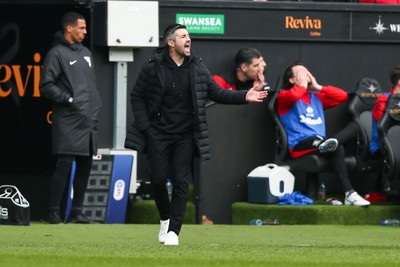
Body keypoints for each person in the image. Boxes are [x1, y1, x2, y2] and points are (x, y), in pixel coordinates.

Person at [124, 24, 268, 245]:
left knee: (181, 182)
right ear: (171, 43)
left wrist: (244, 96)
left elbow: (217, 93)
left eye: (189, 36)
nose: (188, 39)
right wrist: (147, 129)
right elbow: (137, 97)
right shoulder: (152, 67)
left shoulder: (198, 67)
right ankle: (165, 218)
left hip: (185, 135)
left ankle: (173, 232)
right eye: (183, 36)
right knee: (158, 180)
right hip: (158, 134)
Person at [277, 61, 370, 206]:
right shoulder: (284, 97)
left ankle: (333, 144)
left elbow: (342, 96)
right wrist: (302, 85)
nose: (305, 74)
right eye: (301, 73)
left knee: (354, 128)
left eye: (307, 71)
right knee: (333, 145)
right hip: (300, 145)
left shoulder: (316, 98)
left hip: (320, 142)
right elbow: (294, 96)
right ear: (292, 80)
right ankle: (349, 193)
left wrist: (318, 87)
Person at [40, 12, 102, 224]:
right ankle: (54, 212)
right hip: (68, 118)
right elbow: (46, 86)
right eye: (82, 28)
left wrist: (95, 106)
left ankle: (76, 212)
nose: (85, 32)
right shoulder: (56, 53)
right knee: (64, 163)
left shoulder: (86, 52)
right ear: (69, 29)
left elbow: (90, 85)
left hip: (88, 119)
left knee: (85, 165)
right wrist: (69, 100)